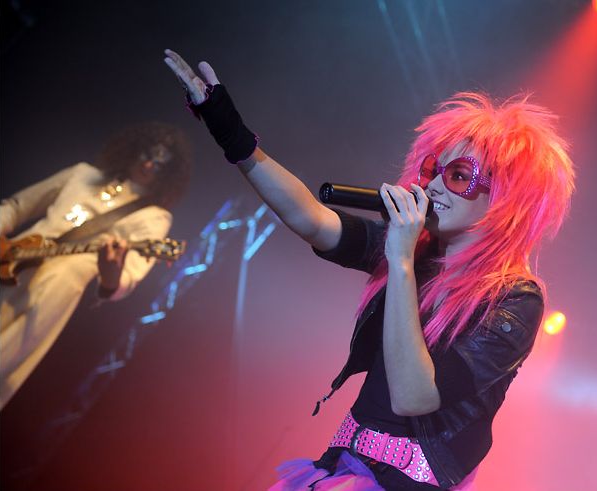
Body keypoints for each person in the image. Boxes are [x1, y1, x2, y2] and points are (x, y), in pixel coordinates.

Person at [165, 49, 574, 490]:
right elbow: (310, 218)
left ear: (506, 197)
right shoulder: (414, 252)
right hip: (345, 465)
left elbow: (414, 395)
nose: (434, 185)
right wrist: (232, 135)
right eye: (433, 170)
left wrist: (400, 261)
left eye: (459, 175)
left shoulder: (514, 299)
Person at [0, 122, 193, 409]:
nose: (149, 165)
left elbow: (128, 278)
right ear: (134, 149)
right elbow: (16, 206)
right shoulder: (82, 175)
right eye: (148, 155)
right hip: (7, 265)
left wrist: (111, 275)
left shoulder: (153, 218)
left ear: (169, 174)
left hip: (50, 293)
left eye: (160, 164)